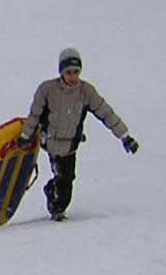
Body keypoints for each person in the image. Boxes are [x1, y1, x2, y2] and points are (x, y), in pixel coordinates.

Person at [17, 48, 136, 220]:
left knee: (67, 178)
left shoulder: (86, 92)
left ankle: (53, 193)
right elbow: (34, 115)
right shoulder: (47, 90)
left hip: (70, 144)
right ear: (61, 72)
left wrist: (125, 136)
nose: (72, 76)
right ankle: (57, 208)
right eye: (68, 72)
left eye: (76, 72)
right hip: (50, 141)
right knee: (62, 176)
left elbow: (106, 113)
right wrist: (25, 137)